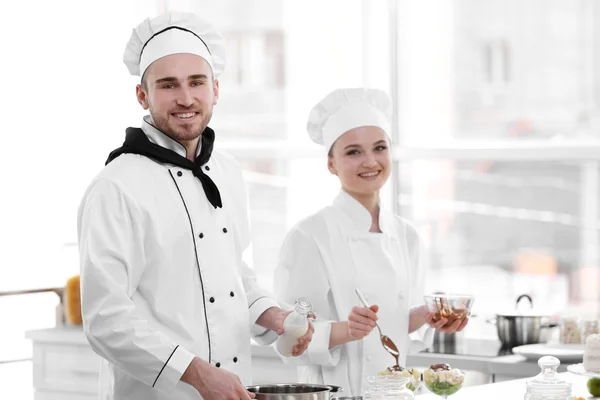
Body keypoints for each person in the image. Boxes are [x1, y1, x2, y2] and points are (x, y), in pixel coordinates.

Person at [77, 12, 313, 400]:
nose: (185, 98)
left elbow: (232, 270)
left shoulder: (228, 171)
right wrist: (196, 374)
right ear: (142, 95)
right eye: (168, 85)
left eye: (196, 82)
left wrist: (270, 314)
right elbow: (105, 319)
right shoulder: (115, 187)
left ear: (216, 89)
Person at [273, 88, 468, 396]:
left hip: (395, 391)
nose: (370, 162)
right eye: (353, 152)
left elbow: (391, 326)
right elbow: (287, 340)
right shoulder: (308, 237)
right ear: (331, 164)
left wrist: (426, 316)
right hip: (333, 394)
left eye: (380, 148)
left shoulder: (407, 237)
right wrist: (345, 331)